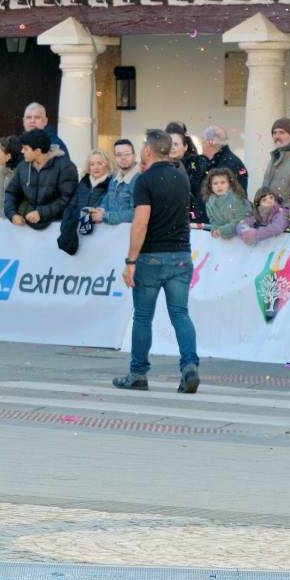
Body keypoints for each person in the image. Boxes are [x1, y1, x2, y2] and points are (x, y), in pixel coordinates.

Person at [116, 129, 199, 394]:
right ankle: (189, 367)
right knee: (180, 314)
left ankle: (138, 373)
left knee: (143, 317)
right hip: (181, 254)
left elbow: (141, 222)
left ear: (148, 151)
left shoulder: (144, 180)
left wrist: (131, 260)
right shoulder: (181, 177)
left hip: (152, 255)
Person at [3, 128, 77, 229]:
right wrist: (12, 214)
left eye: (25, 148)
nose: (22, 151)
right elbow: (11, 193)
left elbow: (67, 199)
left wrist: (41, 213)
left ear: (37, 151)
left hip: (57, 227)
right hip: (27, 227)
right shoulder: (22, 166)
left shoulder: (65, 167)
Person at [58, 149, 112, 254]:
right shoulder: (82, 183)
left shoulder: (111, 184)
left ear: (107, 165)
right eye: (92, 164)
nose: (95, 167)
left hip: (100, 236)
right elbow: (71, 205)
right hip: (76, 232)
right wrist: (66, 221)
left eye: (99, 163)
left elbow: (103, 207)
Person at [165, 122, 208, 223]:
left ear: (185, 147)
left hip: (191, 221)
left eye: (176, 144)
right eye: (169, 144)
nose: (172, 147)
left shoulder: (197, 165)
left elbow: (200, 195)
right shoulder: (160, 167)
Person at [90, 139, 139, 226]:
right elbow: (107, 198)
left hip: (128, 234)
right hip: (113, 233)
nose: (123, 158)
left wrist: (105, 216)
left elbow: (136, 213)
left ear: (134, 156)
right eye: (119, 155)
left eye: (127, 154)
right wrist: (101, 209)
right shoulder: (114, 178)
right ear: (115, 157)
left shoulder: (140, 179)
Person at [201, 168, 251, 239]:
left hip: (242, 238)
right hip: (223, 241)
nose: (219, 186)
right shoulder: (209, 202)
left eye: (222, 182)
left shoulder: (237, 198)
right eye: (215, 183)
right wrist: (215, 229)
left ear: (230, 184)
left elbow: (242, 219)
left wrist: (224, 230)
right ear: (210, 186)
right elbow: (213, 220)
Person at [202, 125, 248, 193]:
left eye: (203, 140)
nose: (202, 143)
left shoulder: (227, 164)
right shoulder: (222, 160)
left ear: (210, 142)